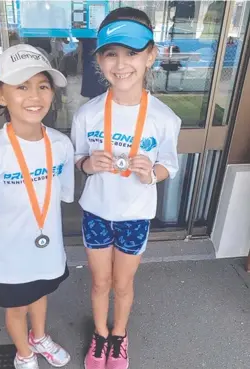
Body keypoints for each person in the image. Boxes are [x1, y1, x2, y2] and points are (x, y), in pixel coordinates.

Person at [71, 7, 181, 369]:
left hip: (135, 215)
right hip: (97, 213)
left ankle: (120, 334)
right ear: (99, 59)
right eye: (111, 54)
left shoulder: (164, 118)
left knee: (123, 283)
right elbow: (77, 159)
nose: (121, 64)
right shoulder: (86, 114)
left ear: (151, 55)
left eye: (132, 53)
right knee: (100, 282)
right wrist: (88, 165)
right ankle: (100, 335)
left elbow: (170, 164)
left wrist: (152, 174)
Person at [0, 44, 74, 369]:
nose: (34, 96)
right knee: (16, 309)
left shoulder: (61, 145)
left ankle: (39, 337)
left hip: (48, 247)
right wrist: (13, 236)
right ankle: (24, 353)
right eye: (21, 87)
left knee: (40, 295)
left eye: (42, 86)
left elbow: (61, 194)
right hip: (12, 254)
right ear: (0, 96)